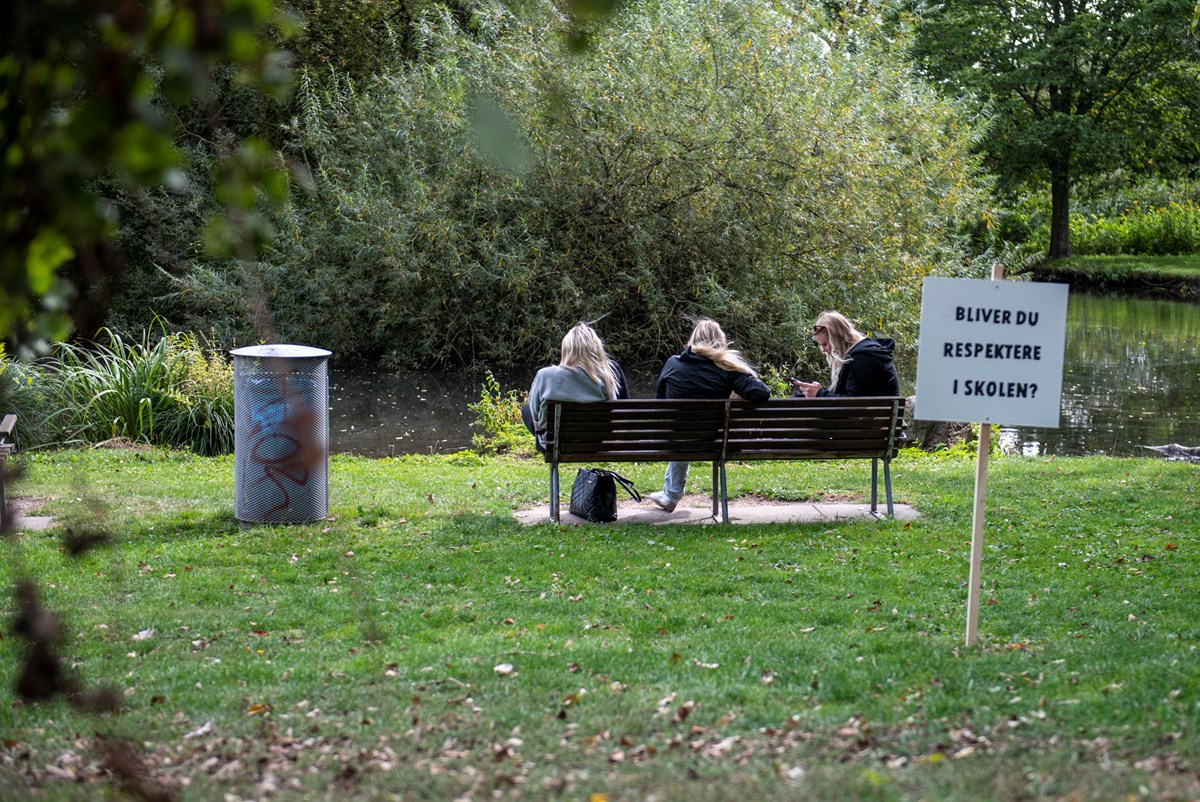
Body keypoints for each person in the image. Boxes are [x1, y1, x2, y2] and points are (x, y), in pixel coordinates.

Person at [647, 319, 769, 512]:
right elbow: (761, 393)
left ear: (693, 340)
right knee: (689, 429)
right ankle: (670, 494)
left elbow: (660, 403)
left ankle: (671, 494)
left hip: (673, 439)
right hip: (714, 440)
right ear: (720, 342)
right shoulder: (727, 368)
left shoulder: (673, 364)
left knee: (682, 429)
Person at [521, 322, 629, 454]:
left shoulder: (546, 375)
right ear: (596, 349)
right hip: (598, 441)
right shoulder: (611, 372)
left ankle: (550, 452)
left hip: (558, 442)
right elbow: (624, 409)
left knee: (526, 409)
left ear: (566, 349)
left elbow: (536, 413)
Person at [792, 311, 901, 398]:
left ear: (837, 339)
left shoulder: (862, 358)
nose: (823, 350)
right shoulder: (865, 354)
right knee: (800, 397)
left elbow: (853, 405)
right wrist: (812, 392)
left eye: (825, 344)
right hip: (875, 420)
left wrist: (820, 394)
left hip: (868, 423)